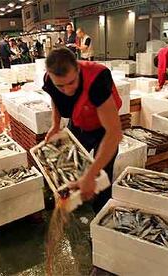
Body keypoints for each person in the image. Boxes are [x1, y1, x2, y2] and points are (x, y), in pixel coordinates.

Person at [42, 47, 123, 213]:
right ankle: (75, 198)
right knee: (69, 164)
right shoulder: (50, 81)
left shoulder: (97, 78)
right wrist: (55, 124)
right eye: (60, 86)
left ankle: (101, 213)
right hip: (79, 124)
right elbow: (56, 100)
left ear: (78, 69)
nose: (67, 90)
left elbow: (114, 133)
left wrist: (91, 174)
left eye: (71, 82)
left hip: (103, 128)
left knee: (102, 174)